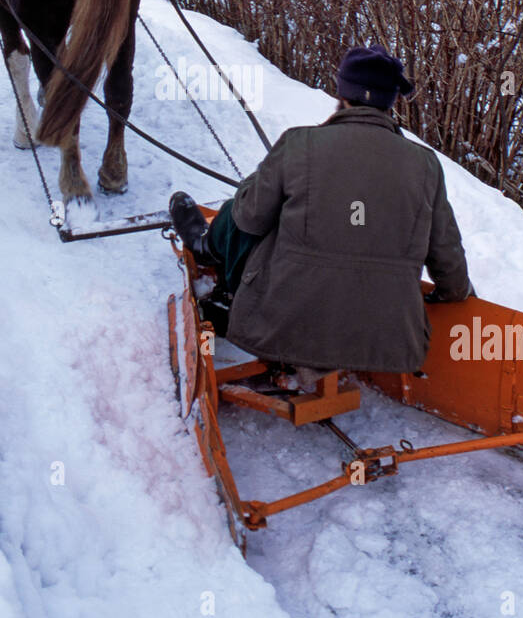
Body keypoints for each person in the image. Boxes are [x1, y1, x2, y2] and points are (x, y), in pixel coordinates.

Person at [169, 45, 473, 375]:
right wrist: (452, 292)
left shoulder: (299, 143)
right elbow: (447, 255)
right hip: (389, 339)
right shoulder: (426, 164)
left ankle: (206, 248)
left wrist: (258, 184)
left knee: (242, 208)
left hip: (282, 325)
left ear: (342, 94)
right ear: (391, 101)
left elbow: (249, 218)